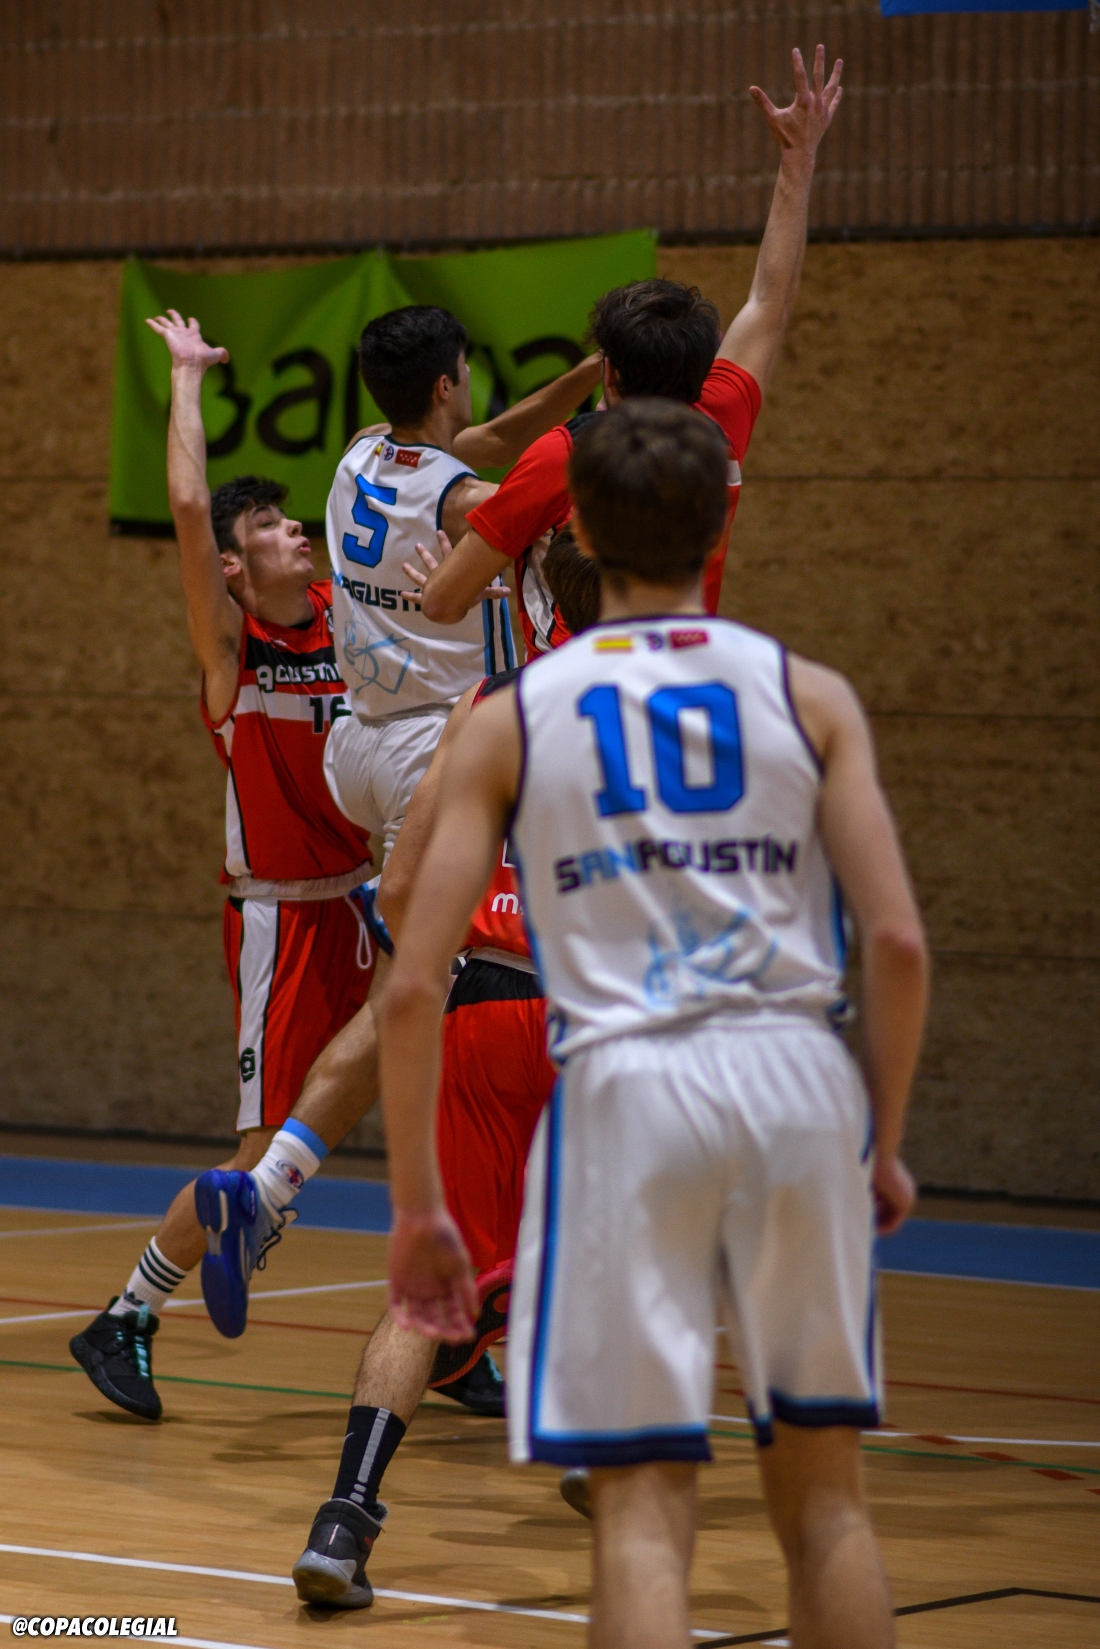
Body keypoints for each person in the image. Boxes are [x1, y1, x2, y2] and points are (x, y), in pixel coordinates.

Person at [379, 399, 929, 1648]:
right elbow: (896, 942)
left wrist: (417, 1206)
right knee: (828, 1503)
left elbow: (410, 981)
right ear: (715, 525)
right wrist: (883, 1141)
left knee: (637, 1513)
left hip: (626, 1087)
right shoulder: (810, 694)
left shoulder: (513, 712)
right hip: (798, 1075)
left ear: (574, 527)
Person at [70, 311, 381, 1418]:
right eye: (271, 526)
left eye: (296, 519)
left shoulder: (348, 621)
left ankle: (459, 1332)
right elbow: (189, 507)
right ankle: (127, 1313)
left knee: (440, 1101)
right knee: (258, 1152)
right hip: (279, 922)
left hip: (366, 908)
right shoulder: (232, 648)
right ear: (237, 568)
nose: (296, 528)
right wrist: (189, 378)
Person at [287, 553, 603, 1611]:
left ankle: (343, 1520)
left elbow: (401, 886)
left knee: (425, 1292)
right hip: (592, 1018)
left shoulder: (485, 704)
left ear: (545, 599)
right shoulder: (666, 702)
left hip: (478, 1003)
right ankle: (591, 1435)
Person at [417, 45, 843, 657]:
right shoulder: (718, 426)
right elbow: (769, 301)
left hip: (574, 691)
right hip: (682, 679)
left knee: (469, 709)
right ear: (701, 370)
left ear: (609, 373)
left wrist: (443, 579)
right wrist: (798, 160)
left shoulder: (562, 457)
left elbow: (441, 603)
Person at [322, 304, 601, 856]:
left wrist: (593, 369)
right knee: (434, 910)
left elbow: (498, 438)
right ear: (445, 386)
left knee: (412, 903)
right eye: (464, 364)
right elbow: (539, 497)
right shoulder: (469, 502)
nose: (470, 373)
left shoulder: (361, 447)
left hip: (355, 740)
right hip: (433, 740)